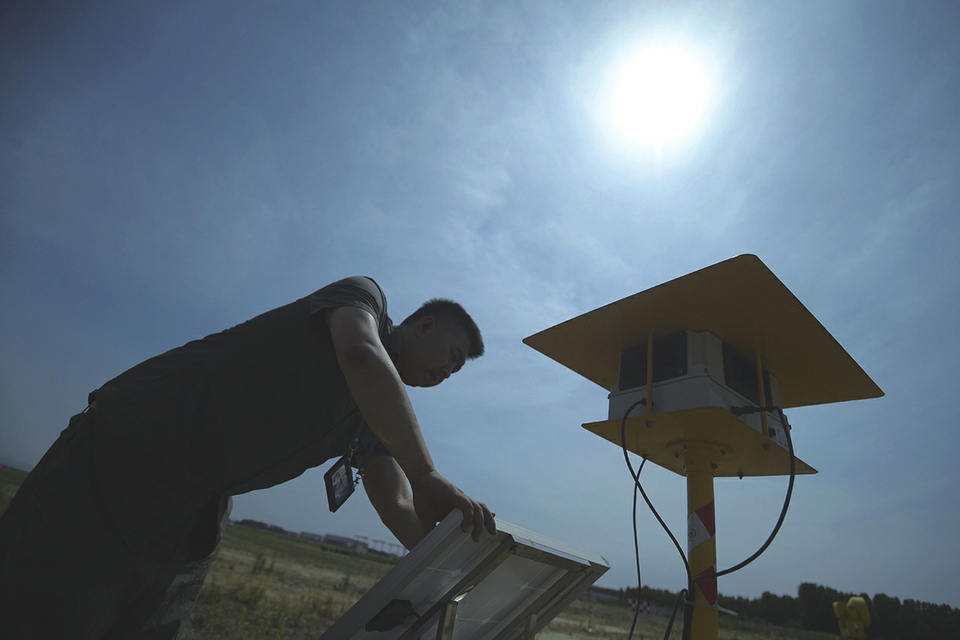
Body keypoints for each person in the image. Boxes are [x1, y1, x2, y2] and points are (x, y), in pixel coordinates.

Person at [0, 275, 496, 639]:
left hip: (194, 512)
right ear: (423, 325)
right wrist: (428, 473)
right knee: (41, 616)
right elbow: (362, 355)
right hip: (124, 458)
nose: (447, 372)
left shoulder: (376, 422)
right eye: (450, 356)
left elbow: (400, 508)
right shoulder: (363, 296)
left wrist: (465, 557)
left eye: (456, 370)